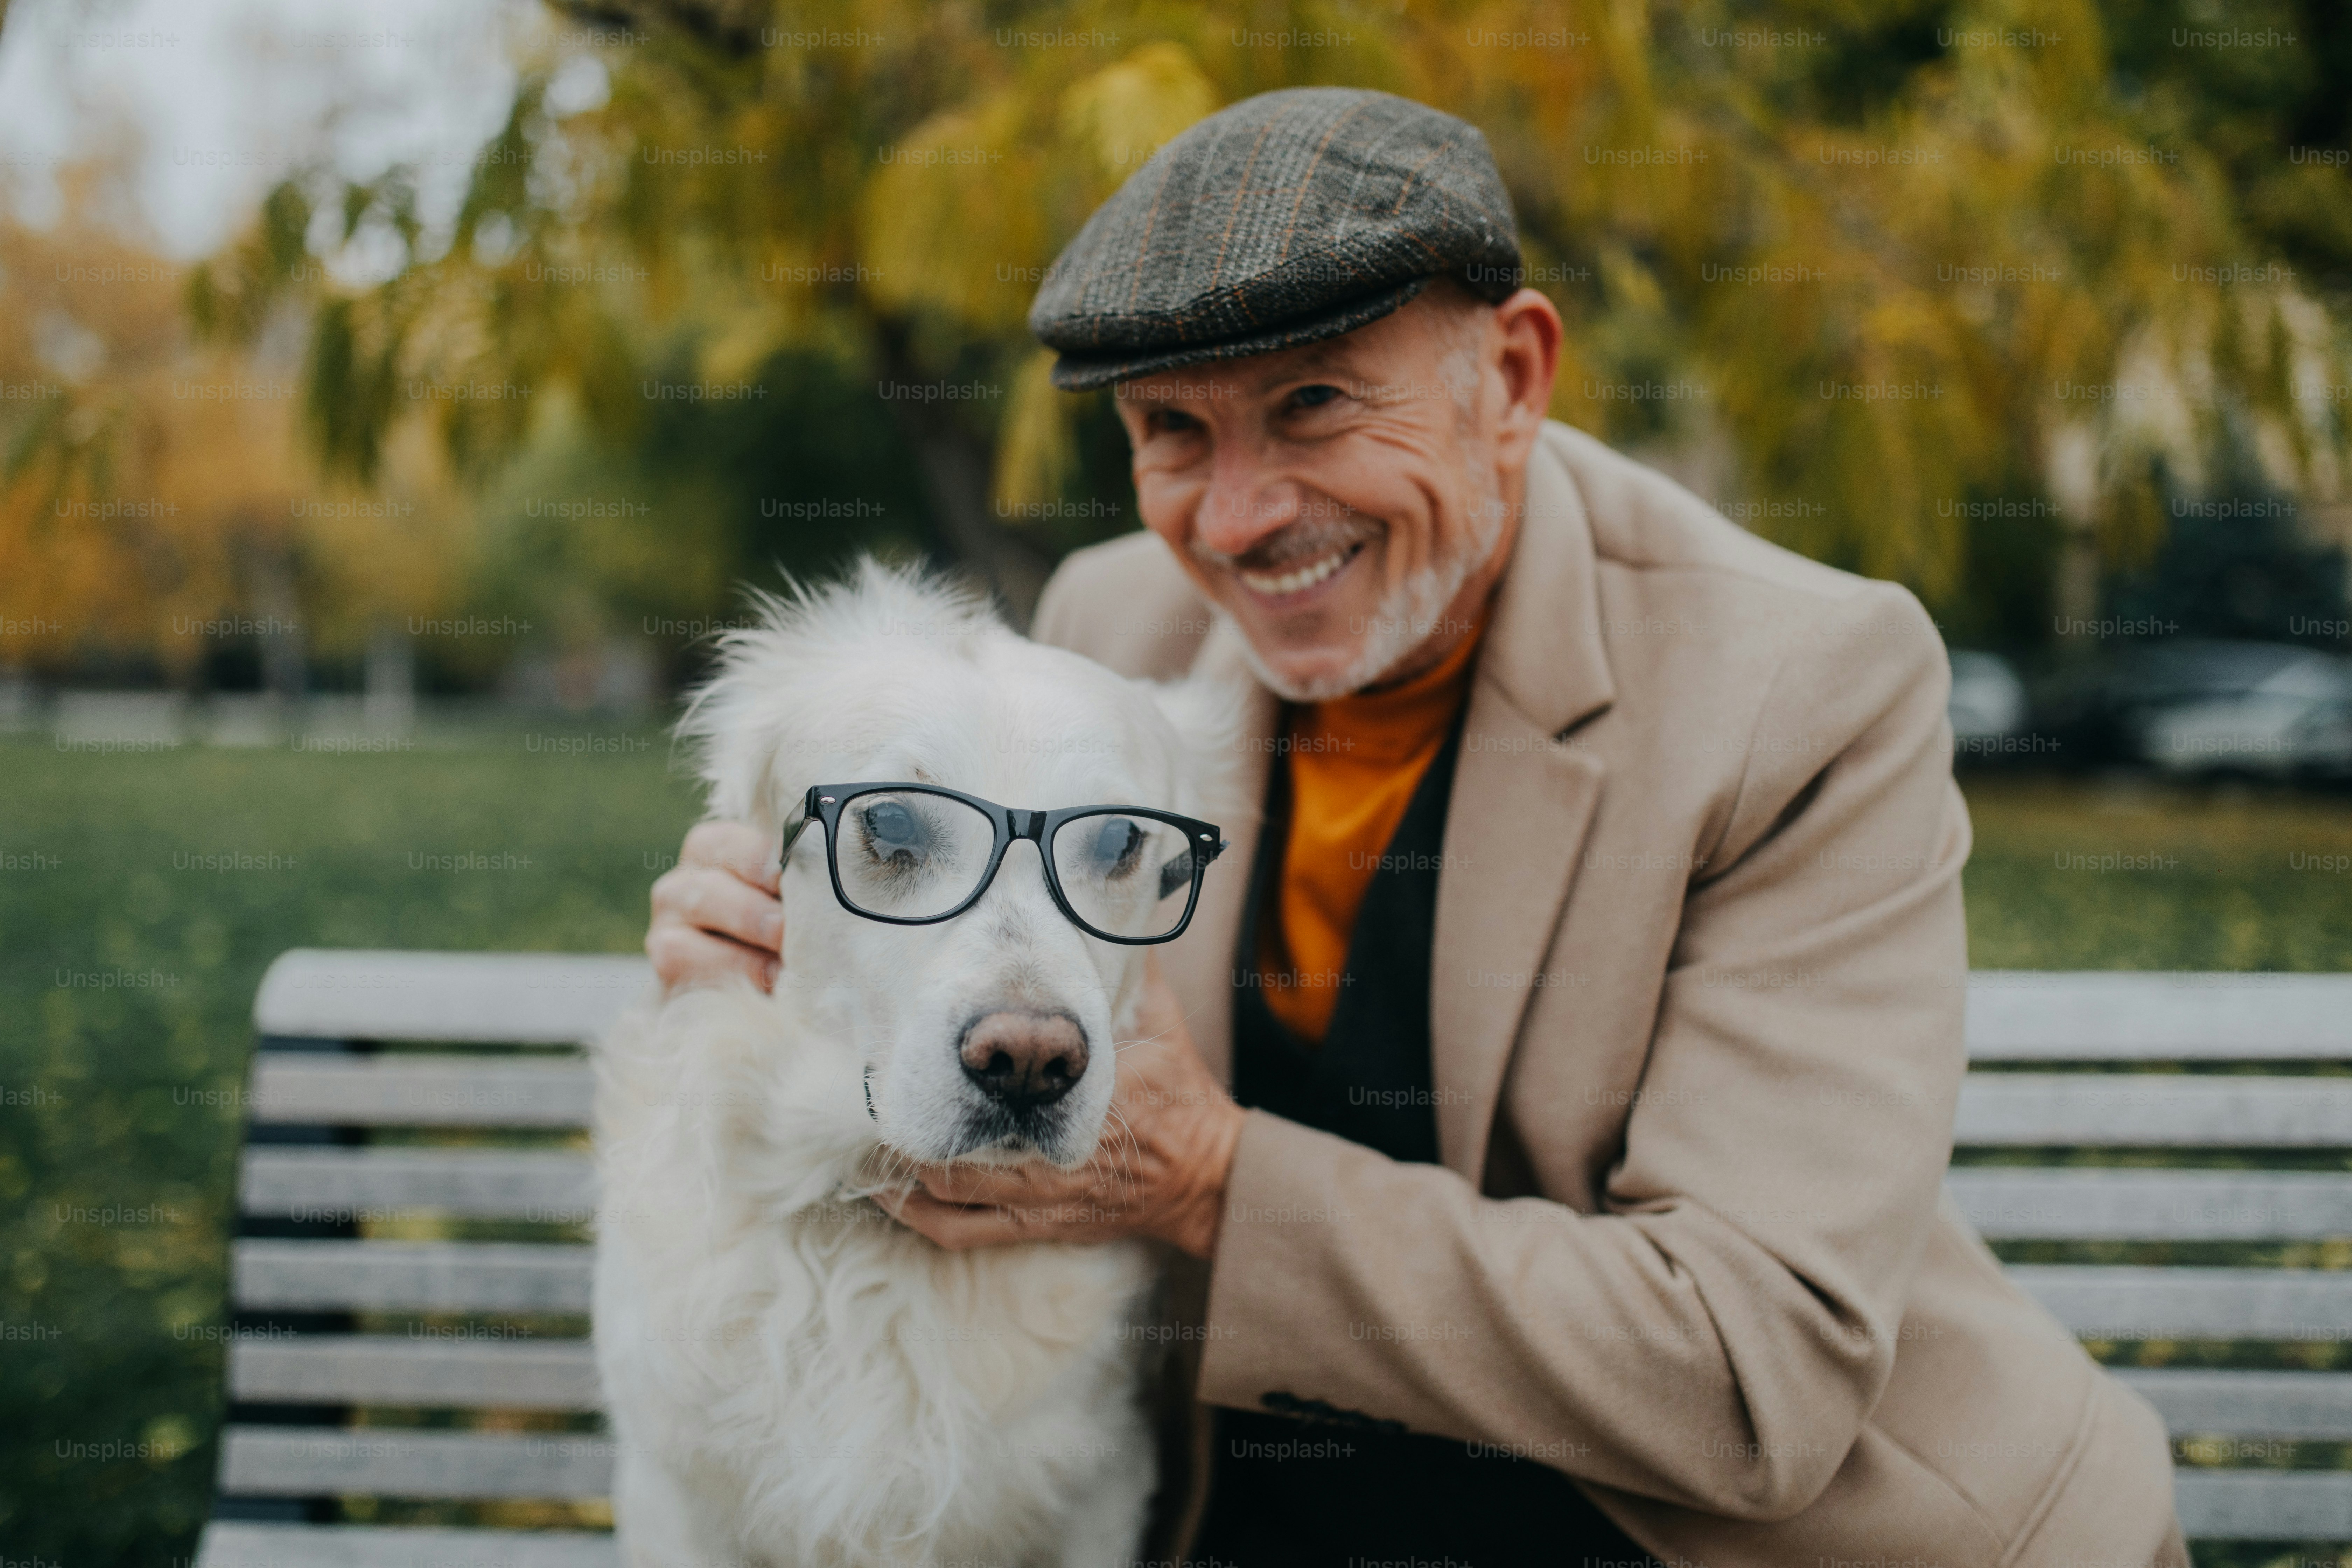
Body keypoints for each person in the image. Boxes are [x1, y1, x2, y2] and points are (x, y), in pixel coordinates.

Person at [645, 87, 2184, 1567]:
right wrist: (789, 945)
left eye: (1312, 405)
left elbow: (1745, 1375)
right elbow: (974, 1028)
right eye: (1172, 430)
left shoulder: (1805, 688)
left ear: (1511, 378)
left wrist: (1213, 1185)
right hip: (1258, 1511)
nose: (1238, 522)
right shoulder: (1115, 631)